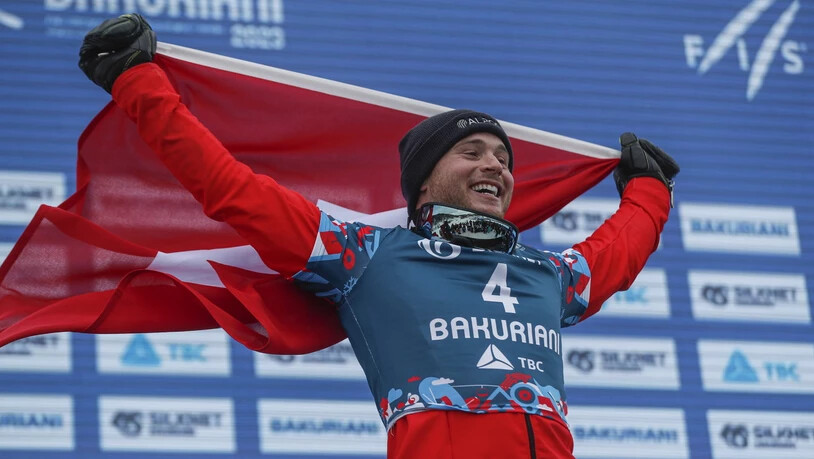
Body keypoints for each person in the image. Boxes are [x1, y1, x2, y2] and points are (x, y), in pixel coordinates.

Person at [78, 14, 679, 459]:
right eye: (470, 152)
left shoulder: (546, 276)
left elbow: (617, 254)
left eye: (503, 158)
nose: (495, 166)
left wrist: (649, 190)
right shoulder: (366, 254)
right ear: (421, 188)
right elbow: (229, 188)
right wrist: (138, 83)